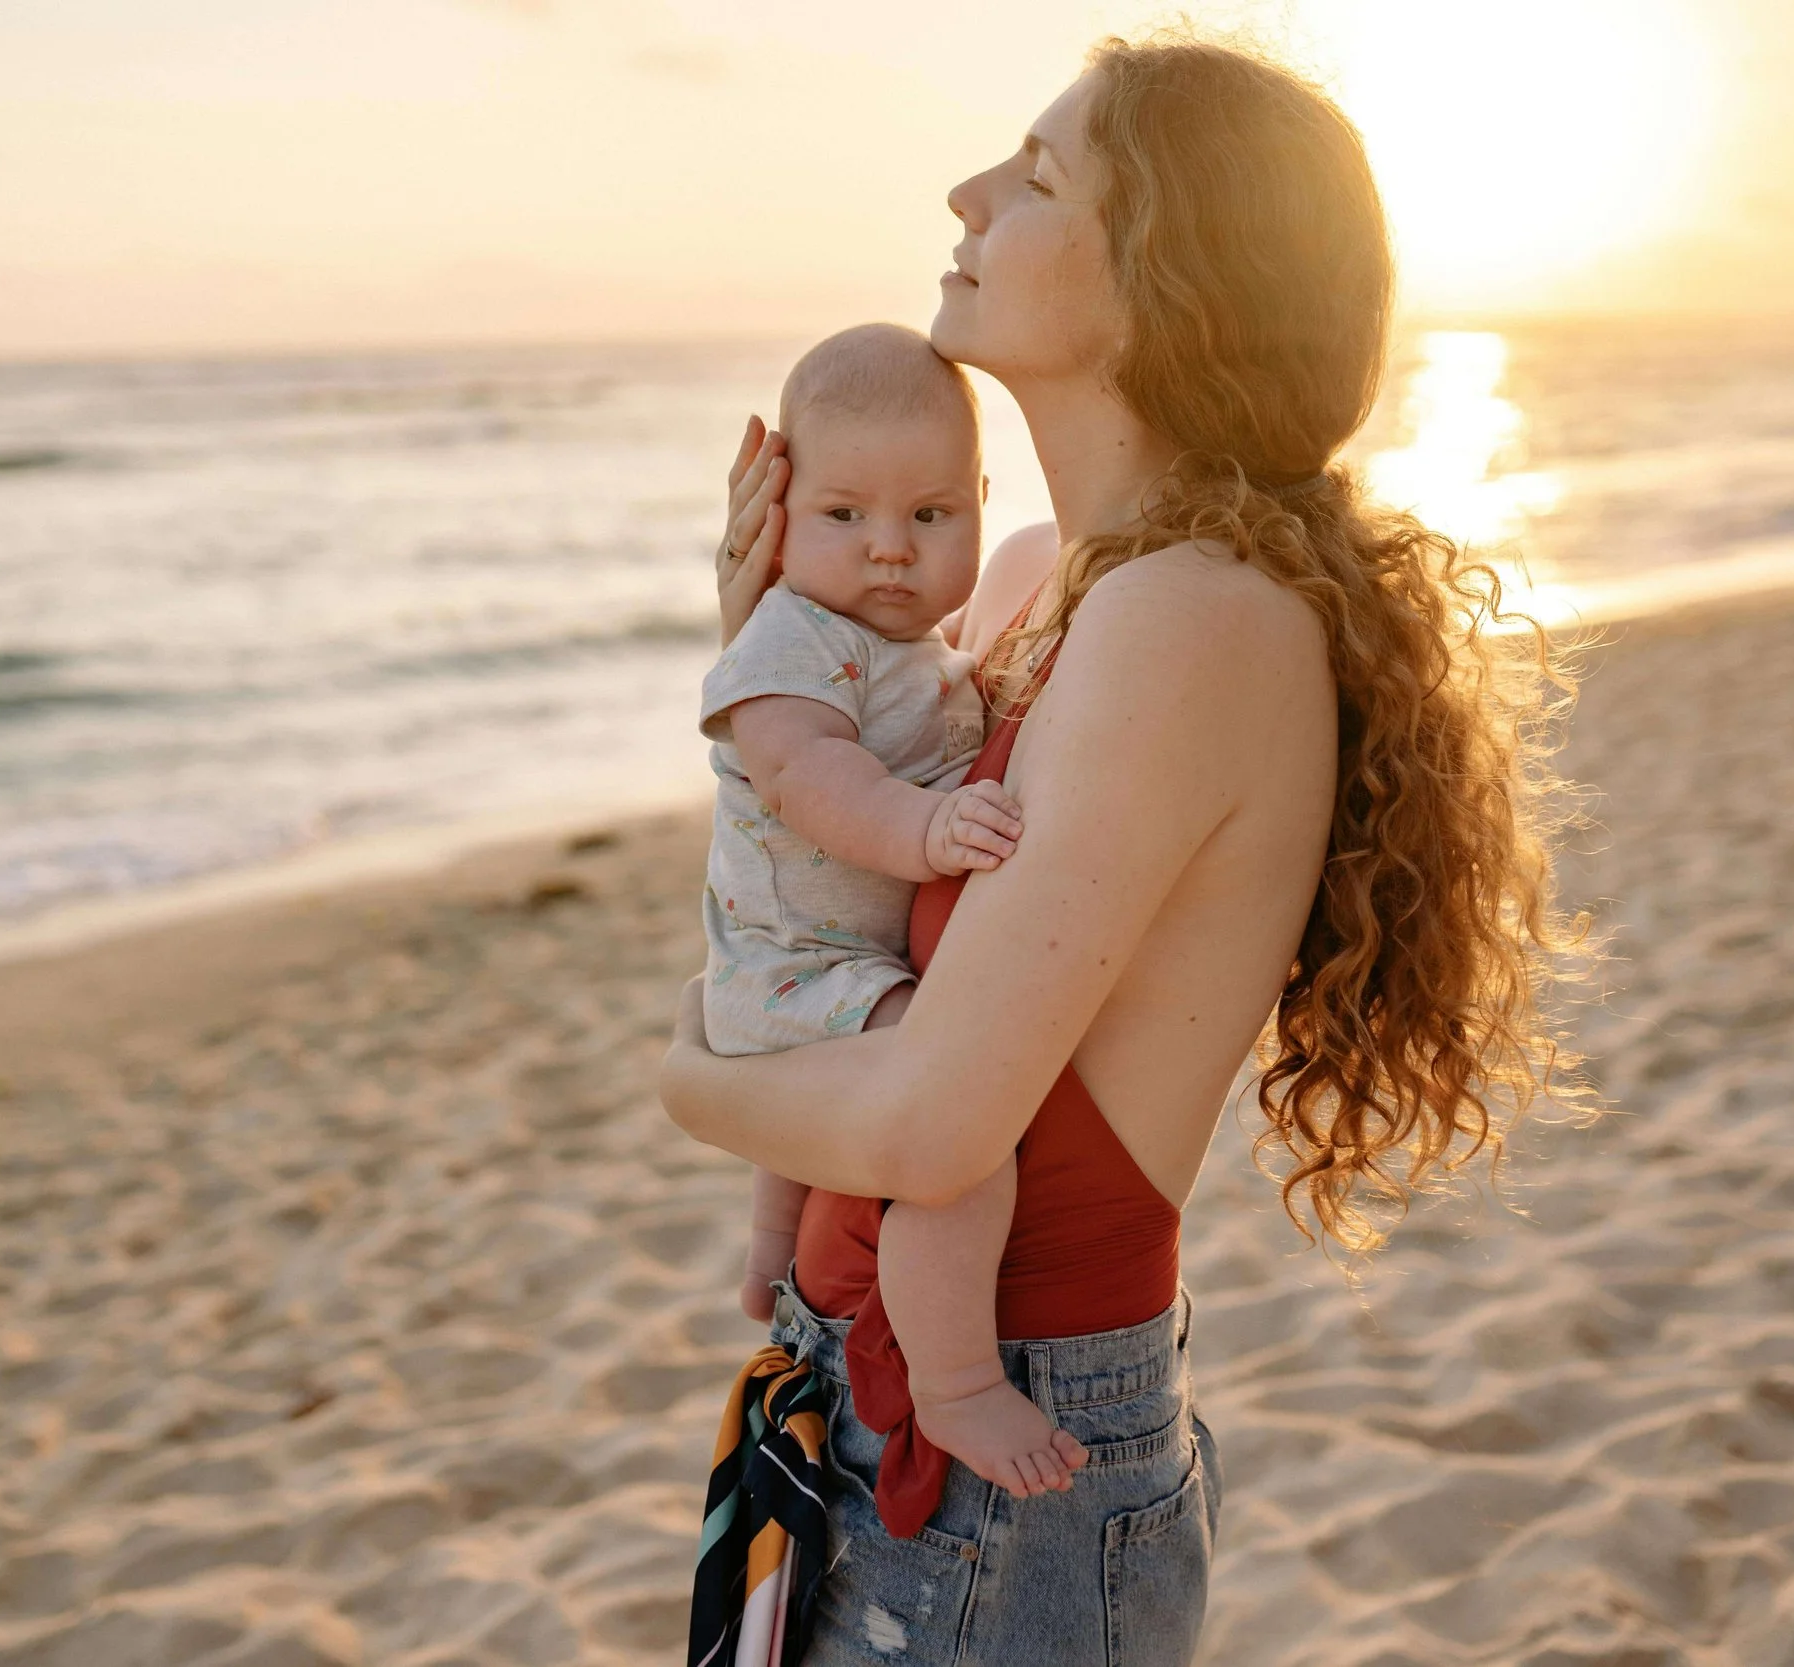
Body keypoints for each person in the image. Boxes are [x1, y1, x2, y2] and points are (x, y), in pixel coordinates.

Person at [666, 29, 1575, 1665]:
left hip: (1003, 1459)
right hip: (845, 1393)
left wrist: (683, 1072)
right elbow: (818, 915)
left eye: (1035, 176)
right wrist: (775, 670)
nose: (965, 193)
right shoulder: (1026, 580)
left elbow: (934, 1116)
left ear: (1163, 281)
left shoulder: (1194, 623)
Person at [699, 321, 1085, 1497]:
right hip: (795, 969)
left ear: (980, 503)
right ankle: (955, 1379)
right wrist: (919, 834)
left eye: (928, 517)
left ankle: (771, 1261)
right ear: (776, 520)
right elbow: (809, 777)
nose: (886, 551)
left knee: (833, 1127)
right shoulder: (788, 642)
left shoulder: (919, 649)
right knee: (956, 1139)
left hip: (828, 961)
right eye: (843, 515)